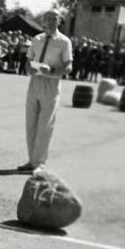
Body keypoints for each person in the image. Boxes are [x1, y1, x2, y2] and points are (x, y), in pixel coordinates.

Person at [19, 9, 72, 173]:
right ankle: (31, 160)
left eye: (54, 18)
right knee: (31, 122)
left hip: (51, 83)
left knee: (45, 124)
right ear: (43, 20)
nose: (50, 21)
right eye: (47, 18)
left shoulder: (64, 42)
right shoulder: (37, 39)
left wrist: (53, 71)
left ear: (59, 21)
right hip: (35, 82)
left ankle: (39, 162)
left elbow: (68, 67)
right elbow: (28, 62)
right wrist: (29, 68)